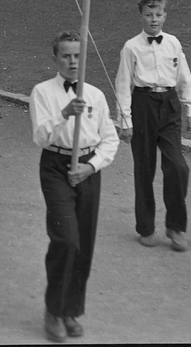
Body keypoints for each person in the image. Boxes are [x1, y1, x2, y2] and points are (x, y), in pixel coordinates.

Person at [30, 32, 119, 342]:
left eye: (78, 56)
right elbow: (40, 137)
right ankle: (53, 310)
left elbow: (110, 139)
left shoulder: (95, 95)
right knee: (66, 239)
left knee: (84, 243)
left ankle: (70, 309)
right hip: (55, 166)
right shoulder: (42, 92)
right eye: (66, 56)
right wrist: (65, 114)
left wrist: (90, 166)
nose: (72, 62)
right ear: (56, 58)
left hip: (88, 168)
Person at [115, 0, 191, 252]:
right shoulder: (131, 47)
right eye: (149, 15)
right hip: (143, 105)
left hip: (169, 105)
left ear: (165, 16)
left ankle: (176, 226)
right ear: (141, 17)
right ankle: (146, 227)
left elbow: (184, 76)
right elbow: (123, 85)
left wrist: (190, 106)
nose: (154, 19)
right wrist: (124, 121)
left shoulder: (173, 43)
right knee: (145, 168)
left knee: (178, 167)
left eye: (158, 14)